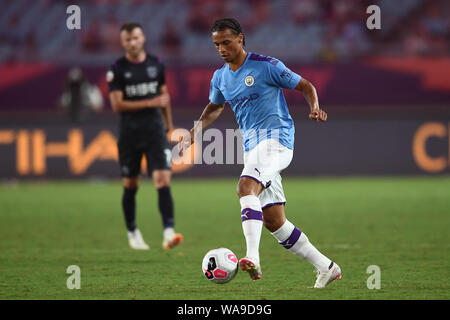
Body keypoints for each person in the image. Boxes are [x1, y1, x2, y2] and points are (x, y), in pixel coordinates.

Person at [179, 18, 341, 288]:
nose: (221, 48)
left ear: (240, 38)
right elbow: (215, 106)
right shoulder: (220, 76)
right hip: (253, 148)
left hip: (277, 140)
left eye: (226, 42)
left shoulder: (267, 66)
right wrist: (195, 132)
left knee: (245, 188)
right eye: (216, 44)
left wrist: (314, 106)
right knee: (275, 222)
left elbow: (306, 86)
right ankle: (326, 267)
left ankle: (252, 257)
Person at [107, 22, 183, 251]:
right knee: (131, 184)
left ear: (143, 38)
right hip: (129, 134)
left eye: (136, 38)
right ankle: (133, 232)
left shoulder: (156, 64)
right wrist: (151, 102)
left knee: (162, 179)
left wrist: (169, 126)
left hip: (154, 131)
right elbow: (117, 104)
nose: (132, 42)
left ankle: (169, 232)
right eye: (128, 39)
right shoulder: (117, 69)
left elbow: (164, 97)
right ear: (123, 43)